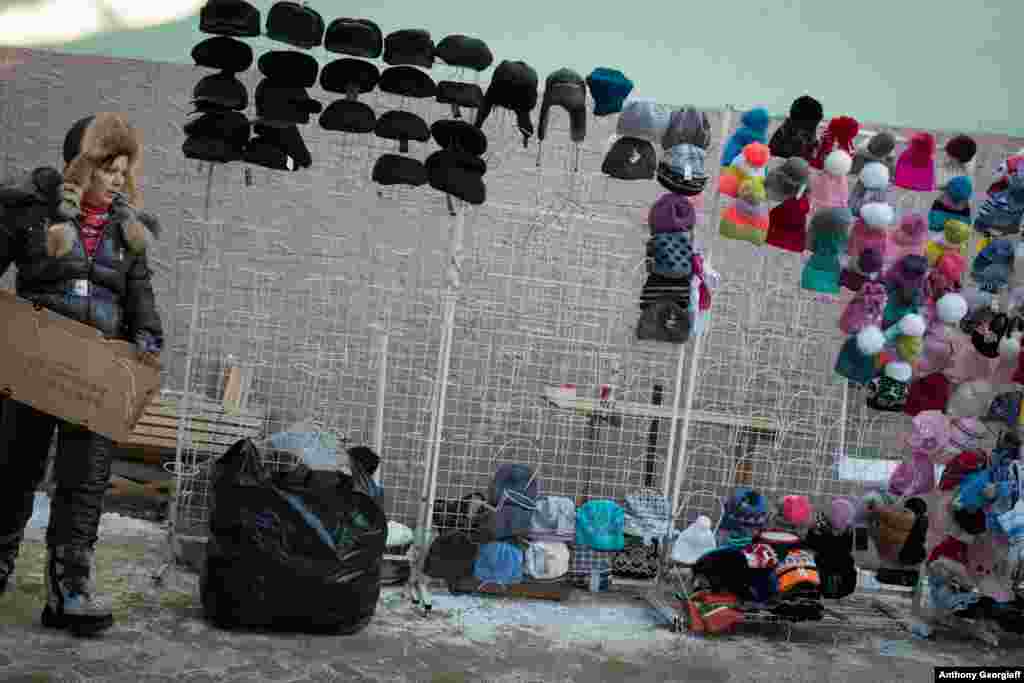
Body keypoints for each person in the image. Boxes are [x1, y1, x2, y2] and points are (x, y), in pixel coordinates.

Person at [0, 113, 163, 636]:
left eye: (123, 170)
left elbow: (141, 298)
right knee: (11, 472)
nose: (116, 179)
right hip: (32, 368)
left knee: (85, 485)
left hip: (97, 375)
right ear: (81, 164)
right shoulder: (34, 214)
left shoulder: (127, 232)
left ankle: (70, 588)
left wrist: (148, 342)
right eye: (106, 167)